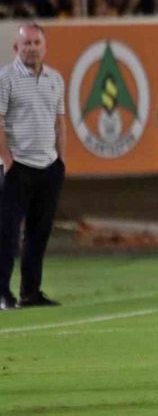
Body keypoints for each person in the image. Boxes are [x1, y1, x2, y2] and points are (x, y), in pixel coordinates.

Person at [0, 24, 66, 310]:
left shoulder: (55, 79)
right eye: (26, 43)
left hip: (47, 166)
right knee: (7, 234)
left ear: (45, 47)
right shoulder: (6, 78)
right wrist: (7, 161)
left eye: (37, 43)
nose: (32, 48)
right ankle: (2, 292)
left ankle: (30, 292)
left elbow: (60, 121)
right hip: (17, 167)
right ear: (16, 48)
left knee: (38, 234)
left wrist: (61, 160)